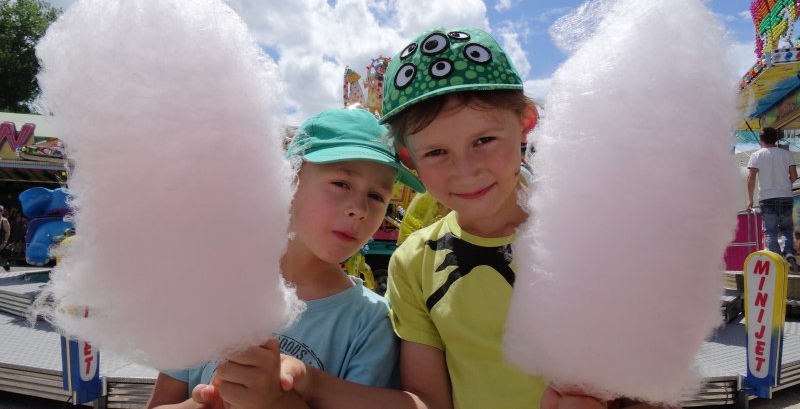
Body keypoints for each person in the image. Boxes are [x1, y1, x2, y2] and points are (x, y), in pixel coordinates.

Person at [253, 27, 663, 409]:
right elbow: (426, 402)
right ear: (410, 159)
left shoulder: (595, 236)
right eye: (436, 153)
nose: (465, 171)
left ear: (525, 124)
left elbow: (656, 377)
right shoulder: (414, 262)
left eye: (484, 140)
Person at [144, 108, 425, 409]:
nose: (359, 209)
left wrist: (279, 402)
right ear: (288, 181)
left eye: (376, 196)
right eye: (341, 184)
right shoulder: (215, 294)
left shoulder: (370, 322)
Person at [746, 126, 798, 272]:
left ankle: (779, 263)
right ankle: (789, 254)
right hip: (786, 196)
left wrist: (749, 199)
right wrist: (784, 185)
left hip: (767, 198)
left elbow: (751, 178)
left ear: (761, 140)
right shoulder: (786, 154)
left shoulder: (756, 156)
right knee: (787, 229)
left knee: (770, 232)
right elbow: (794, 176)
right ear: (776, 139)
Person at [0, 205, 11, 272]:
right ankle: (6, 265)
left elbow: (8, 232)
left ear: (2, 211)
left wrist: (4, 243)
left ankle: (6, 265)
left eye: (0, 210)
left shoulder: (4, 221)